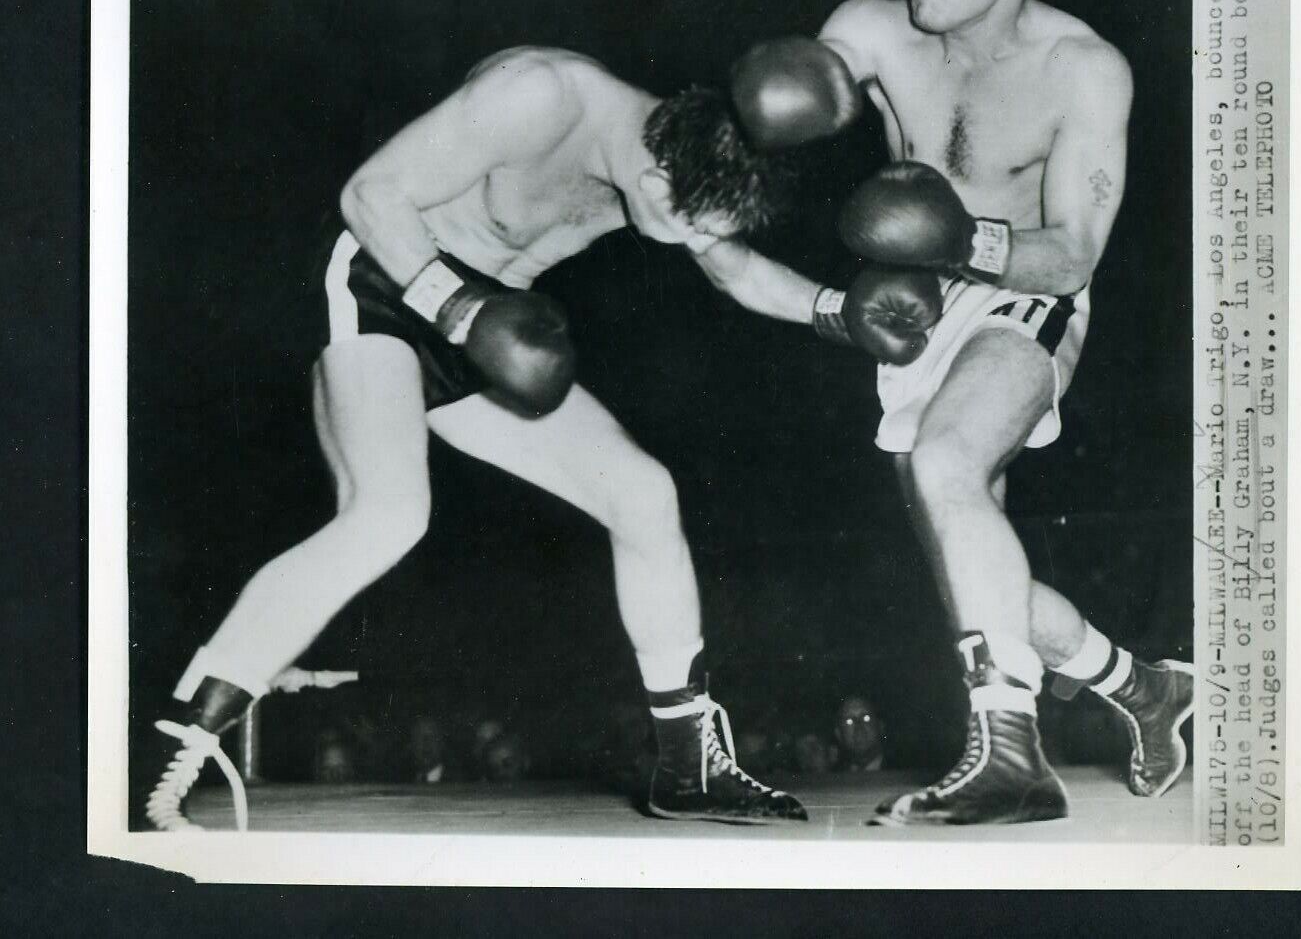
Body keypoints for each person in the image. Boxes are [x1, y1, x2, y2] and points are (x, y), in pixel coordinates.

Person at [142, 45, 945, 831]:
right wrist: (459, 313)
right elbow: (369, 194)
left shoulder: (690, 156)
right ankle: (180, 738)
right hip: (382, 282)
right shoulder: (542, 95)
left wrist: (839, 315)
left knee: (641, 492)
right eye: (697, 229)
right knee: (387, 512)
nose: (703, 246)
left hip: (491, 317)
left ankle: (690, 760)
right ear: (659, 186)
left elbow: (737, 272)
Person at [728, 0, 1194, 824]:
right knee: (972, 560)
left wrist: (960, 237)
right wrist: (746, 125)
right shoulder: (867, 26)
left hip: (1023, 295)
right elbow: (795, 103)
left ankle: (1013, 761)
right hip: (911, 306)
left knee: (946, 461)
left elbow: (1069, 254)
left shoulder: (1081, 69)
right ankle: (1144, 688)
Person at [833, 695, 885, 772]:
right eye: (849, 721)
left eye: (866, 718)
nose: (859, 727)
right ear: (839, 734)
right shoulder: (831, 778)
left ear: (880, 726)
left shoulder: (905, 771)